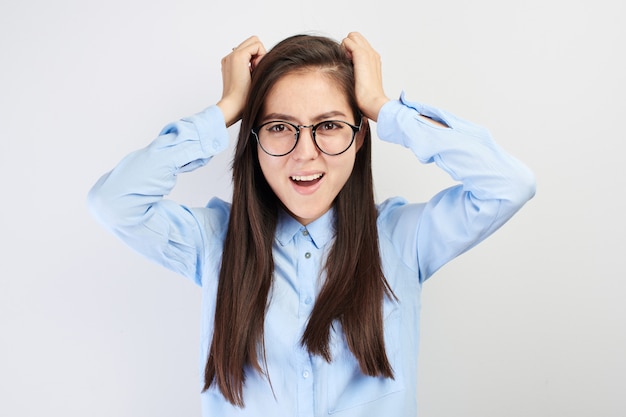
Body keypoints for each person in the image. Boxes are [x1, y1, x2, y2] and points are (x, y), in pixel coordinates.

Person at [87, 32, 536, 416]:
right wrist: (225, 109)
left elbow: (508, 184)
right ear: (254, 139)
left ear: (360, 138)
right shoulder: (214, 242)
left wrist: (383, 107)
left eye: (329, 126)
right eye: (281, 127)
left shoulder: (402, 239)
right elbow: (113, 202)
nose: (306, 153)